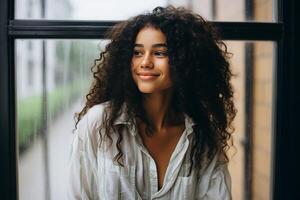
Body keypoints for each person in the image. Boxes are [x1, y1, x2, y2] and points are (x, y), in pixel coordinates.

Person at [68, 6, 236, 200]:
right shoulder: (98, 124)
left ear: (185, 61)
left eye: (159, 53)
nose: (145, 62)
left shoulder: (202, 137)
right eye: (137, 52)